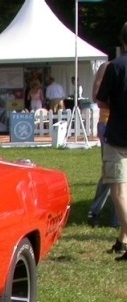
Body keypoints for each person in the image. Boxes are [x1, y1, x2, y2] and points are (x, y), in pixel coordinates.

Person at [94, 22, 127, 258]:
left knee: (118, 191)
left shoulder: (115, 67)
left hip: (118, 136)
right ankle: (122, 240)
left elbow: (102, 100)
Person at [88, 61, 120, 230]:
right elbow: (97, 96)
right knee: (111, 169)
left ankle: (114, 216)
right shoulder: (108, 66)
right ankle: (96, 211)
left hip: (120, 123)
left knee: (118, 170)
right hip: (109, 123)